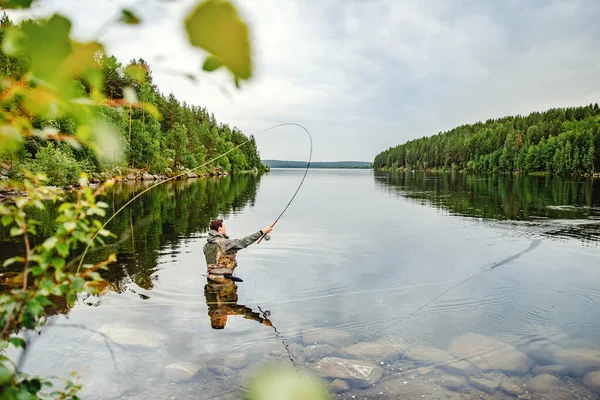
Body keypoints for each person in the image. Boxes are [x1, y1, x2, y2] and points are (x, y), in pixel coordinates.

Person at [203, 219, 272, 283]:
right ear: (219, 229)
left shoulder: (206, 246)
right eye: (224, 226)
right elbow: (243, 242)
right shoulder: (224, 243)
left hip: (210, 281)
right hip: (224, 283)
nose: (225, 228)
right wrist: (261, 232)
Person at [204, 278, 273, 329]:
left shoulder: (223, 310)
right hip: (216, 278)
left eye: (224, 321)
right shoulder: (211, 305)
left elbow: (245, 311)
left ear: (221, 320)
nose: (226, 319)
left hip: (224, 280)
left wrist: (262, 320)